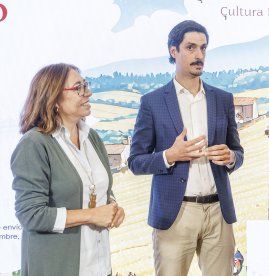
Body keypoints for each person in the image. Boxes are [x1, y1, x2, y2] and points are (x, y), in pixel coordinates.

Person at [128, 20, 244, 275]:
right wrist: (170, 155)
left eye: (203, 48)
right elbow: (135, 161)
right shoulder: (153, 102)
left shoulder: (222, 99)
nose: (199, 55)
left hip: (218, 212)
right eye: (191, 48)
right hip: (175, 214)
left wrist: (230, 157)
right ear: (173, 51)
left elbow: (238, 152)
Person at [11, 63, 125, 276]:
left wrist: (113, 208)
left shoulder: (92, 138)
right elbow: (30, 214)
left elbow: (100, 189)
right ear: (53, 98)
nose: (88, 93)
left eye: (86, 85)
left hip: (99, 266)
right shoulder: (34, 144)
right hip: (58, 268)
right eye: (78, 88)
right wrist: (92, 215)